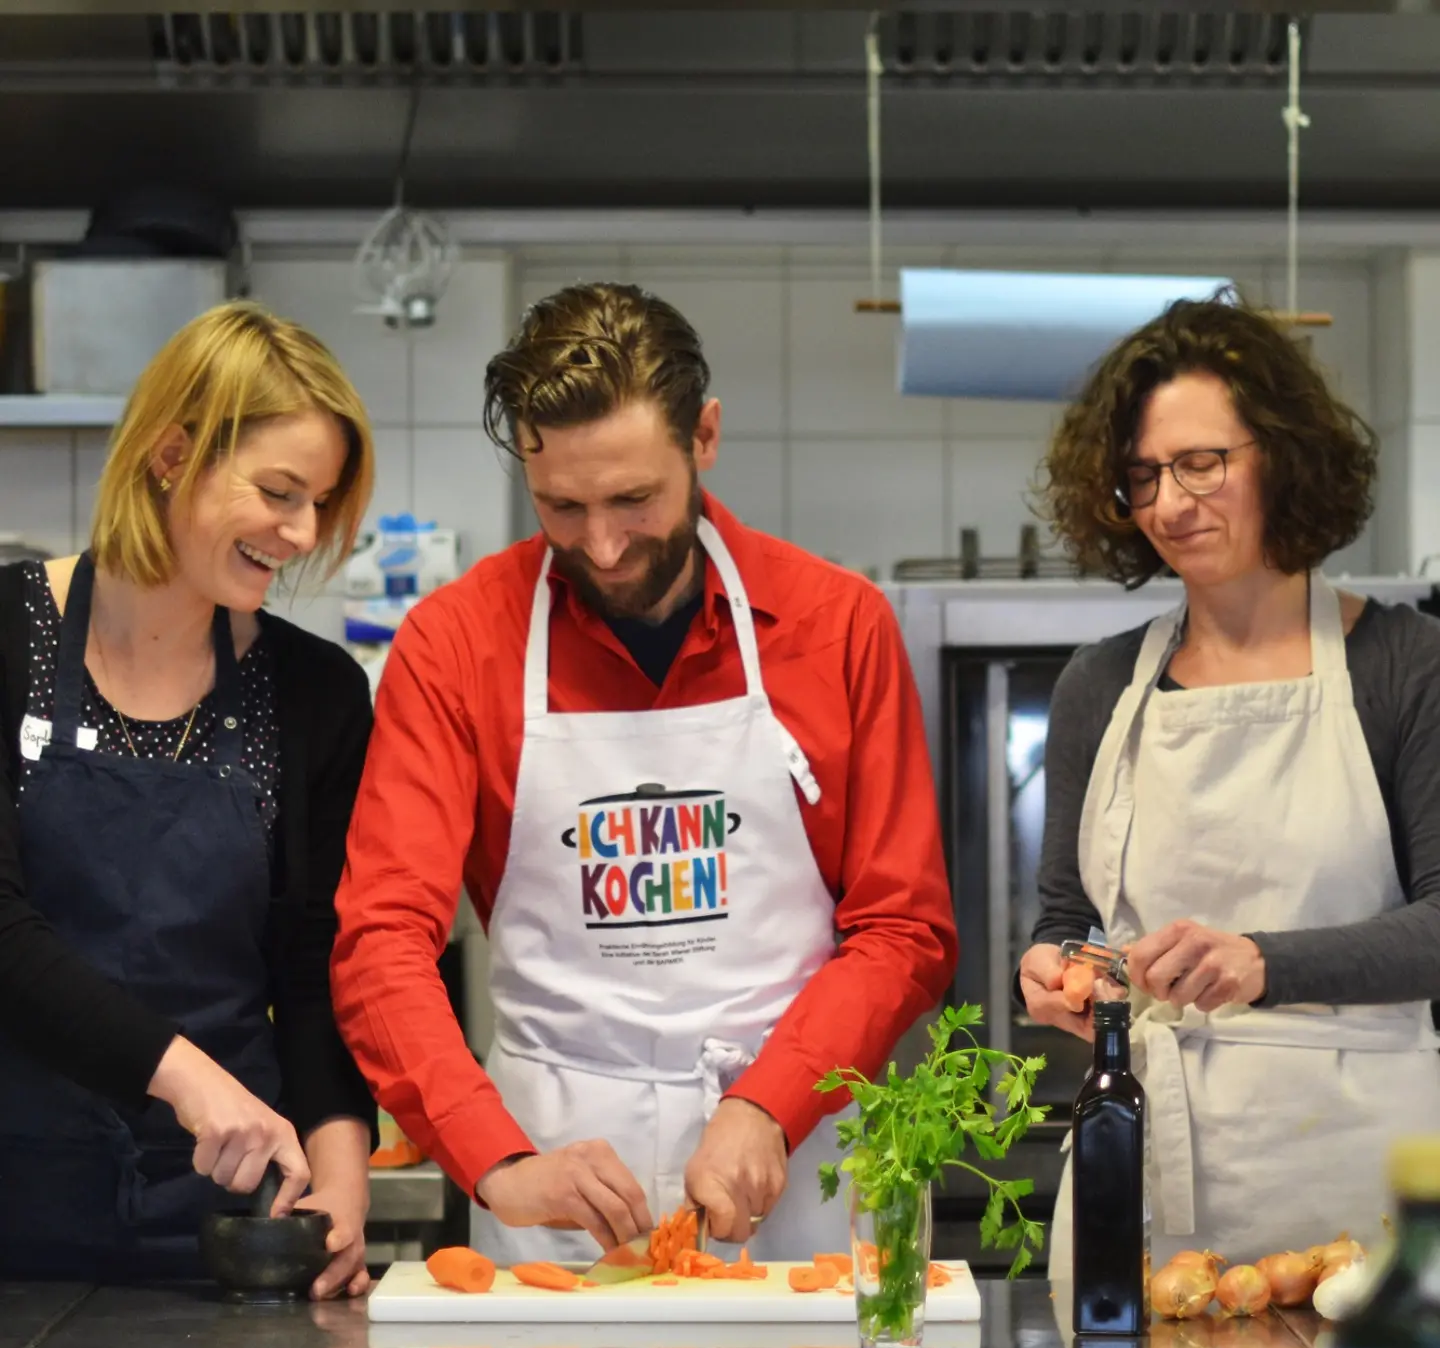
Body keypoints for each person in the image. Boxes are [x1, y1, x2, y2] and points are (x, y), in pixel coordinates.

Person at [331, 281, 956, 1264]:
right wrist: (496, 1161)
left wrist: (771, 1102)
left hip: (795, 1161)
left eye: (634, 500)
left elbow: (902, 925)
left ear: (704, 437)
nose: (605, 547)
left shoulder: (837, 626)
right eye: (561, 508)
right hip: (551, 1170)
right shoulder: (455, 645)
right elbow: (380, 944)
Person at [1021, 296, 1440, 1279]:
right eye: (1144, 477)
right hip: (1144, 1172)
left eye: (1202, 463)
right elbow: (1064, 914)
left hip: (1360, 1193)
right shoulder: (1099, 685)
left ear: (1283, 457)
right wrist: (1050, 970)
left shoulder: (1403, 667)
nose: (1171, 503)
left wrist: (1260, 962)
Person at [0, 301, 378, 1294]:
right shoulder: (5, 640)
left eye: (321, 504)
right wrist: (186, 1075)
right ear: (173, 454)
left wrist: (340, 1177)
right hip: (15, 1210)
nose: (301, 534)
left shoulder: (316, 694)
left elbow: (309, 973)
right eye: (280, 491)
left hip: (217, 1224)